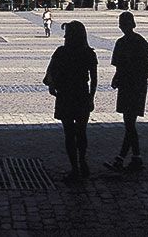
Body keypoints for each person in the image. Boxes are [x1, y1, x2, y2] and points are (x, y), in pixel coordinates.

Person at [43, 20, 97, 181]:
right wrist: (91, 97)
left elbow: (49, 73)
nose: (65, 35)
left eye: (67, 33)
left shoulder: (61, 52)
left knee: (69, 133)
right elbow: (94, 79)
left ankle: (75, 167)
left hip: (66, 95)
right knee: (81, 132)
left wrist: (52, 85)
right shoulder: (89, 53)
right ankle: (83, 162)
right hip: (81, 94)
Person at [104, 11, 148, 173]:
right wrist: (118, 79)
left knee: (129, 123)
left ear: (129, 24)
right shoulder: (136, 41)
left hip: (133, 87)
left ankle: (125, 159)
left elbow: (147, 66)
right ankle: (133, 158)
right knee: (129, 123)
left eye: (123, 23)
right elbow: (146, 66)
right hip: (130, 86)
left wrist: (137, 80)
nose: (122, 26)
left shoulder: (132, 42)